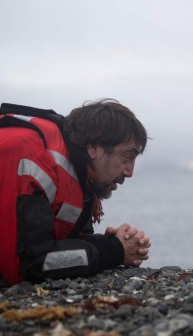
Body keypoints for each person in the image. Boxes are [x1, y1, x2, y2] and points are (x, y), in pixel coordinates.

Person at [0, 99, 151, 285]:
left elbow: (59, 243)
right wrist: (113, 250)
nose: (130, 172)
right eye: (127, 157)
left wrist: (111, 242)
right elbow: (32, 264)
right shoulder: (33, 158)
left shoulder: (79, 175)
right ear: (93, 148)